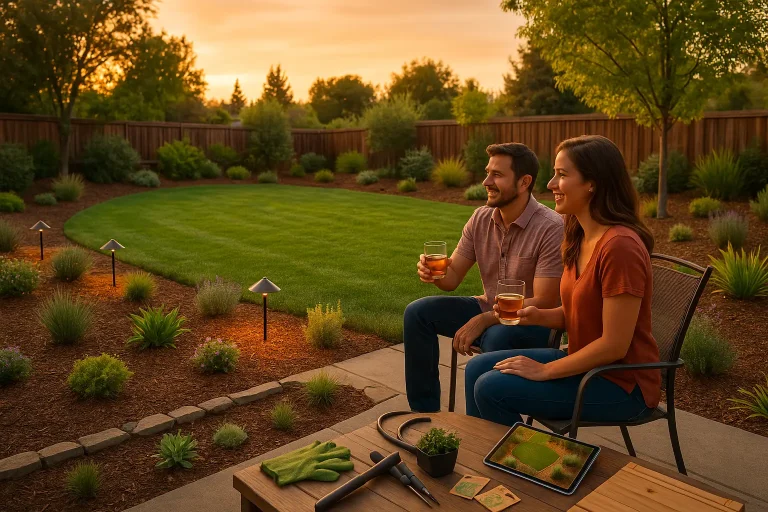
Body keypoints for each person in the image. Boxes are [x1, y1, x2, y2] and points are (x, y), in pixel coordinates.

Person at [464, 135, 661, 426]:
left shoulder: (620, 247)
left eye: (562, 174)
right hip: (586, 364)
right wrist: (539, 316)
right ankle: (487, 454)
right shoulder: (579, 236)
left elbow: (614, 345)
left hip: (620, 384)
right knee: (477, 367)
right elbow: (581, 314)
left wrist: (545, 370)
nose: (550, 184)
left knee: (492, 388)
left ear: (592, 183)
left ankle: (523, 465)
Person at [404, 142, 564, 413]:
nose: (486, 181)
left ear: (524, 182)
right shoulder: (481, 218)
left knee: (495, 338)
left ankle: (482, 429)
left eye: (497, 175)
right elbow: (452, 278)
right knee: (418, 313)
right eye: (487, 172)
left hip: (533, 324)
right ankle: (426, 415)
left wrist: (485, 319)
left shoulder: (550, 227)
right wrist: (434, 274)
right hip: (489, 309)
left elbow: (547, 300)